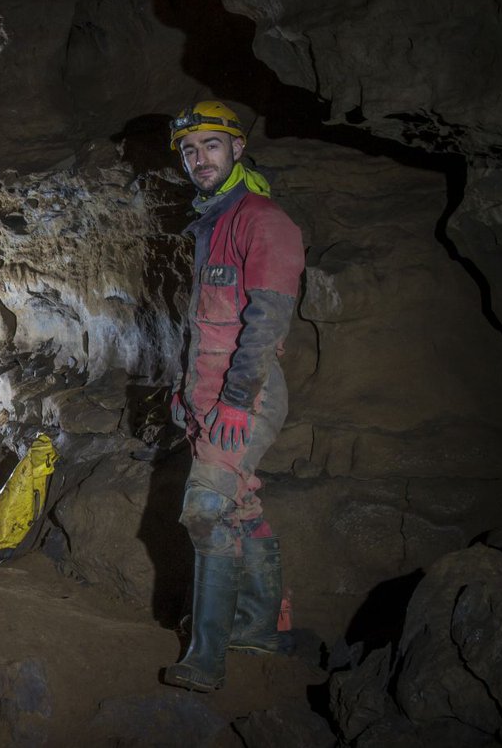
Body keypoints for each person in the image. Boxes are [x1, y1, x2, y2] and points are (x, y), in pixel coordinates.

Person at [161, 100, 305, 692]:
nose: (200, 159)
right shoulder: (212, 223)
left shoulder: (263, 219)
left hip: (249, 391)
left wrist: (238, 400)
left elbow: (266, 321)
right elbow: (209, 325)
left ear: (237, 149)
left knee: (205, 506)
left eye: (211, 146)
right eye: (190, 151)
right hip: (210, 394)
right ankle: (260, 628)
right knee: (240, 505)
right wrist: (187, 393)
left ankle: (206, 656)